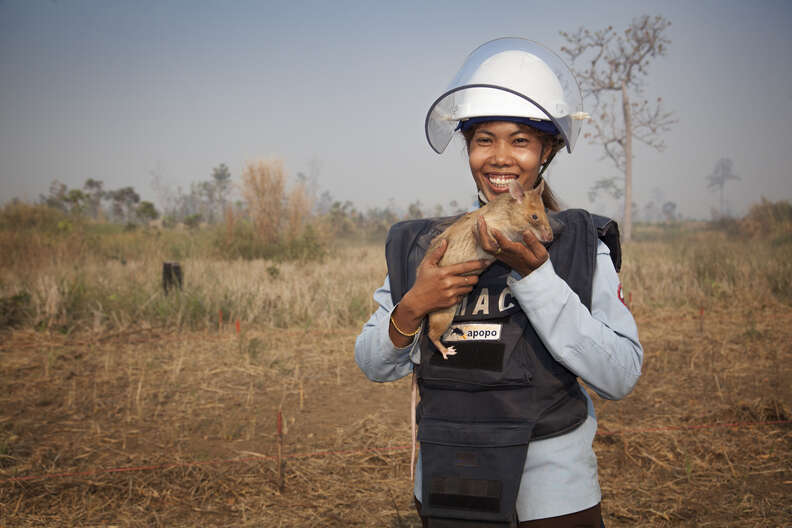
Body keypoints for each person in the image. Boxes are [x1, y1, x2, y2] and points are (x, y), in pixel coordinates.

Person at [355, 38, 643, 528]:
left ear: (546, 150)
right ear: (467, 148)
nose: (500, 158)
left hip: (553, 496)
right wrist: (412, 308)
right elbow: (373, 364)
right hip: (451, 484)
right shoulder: (429, 245)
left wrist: (537, 278)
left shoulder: (577, 244)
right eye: (484, 139)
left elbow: (620, 375)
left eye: (521, 140)